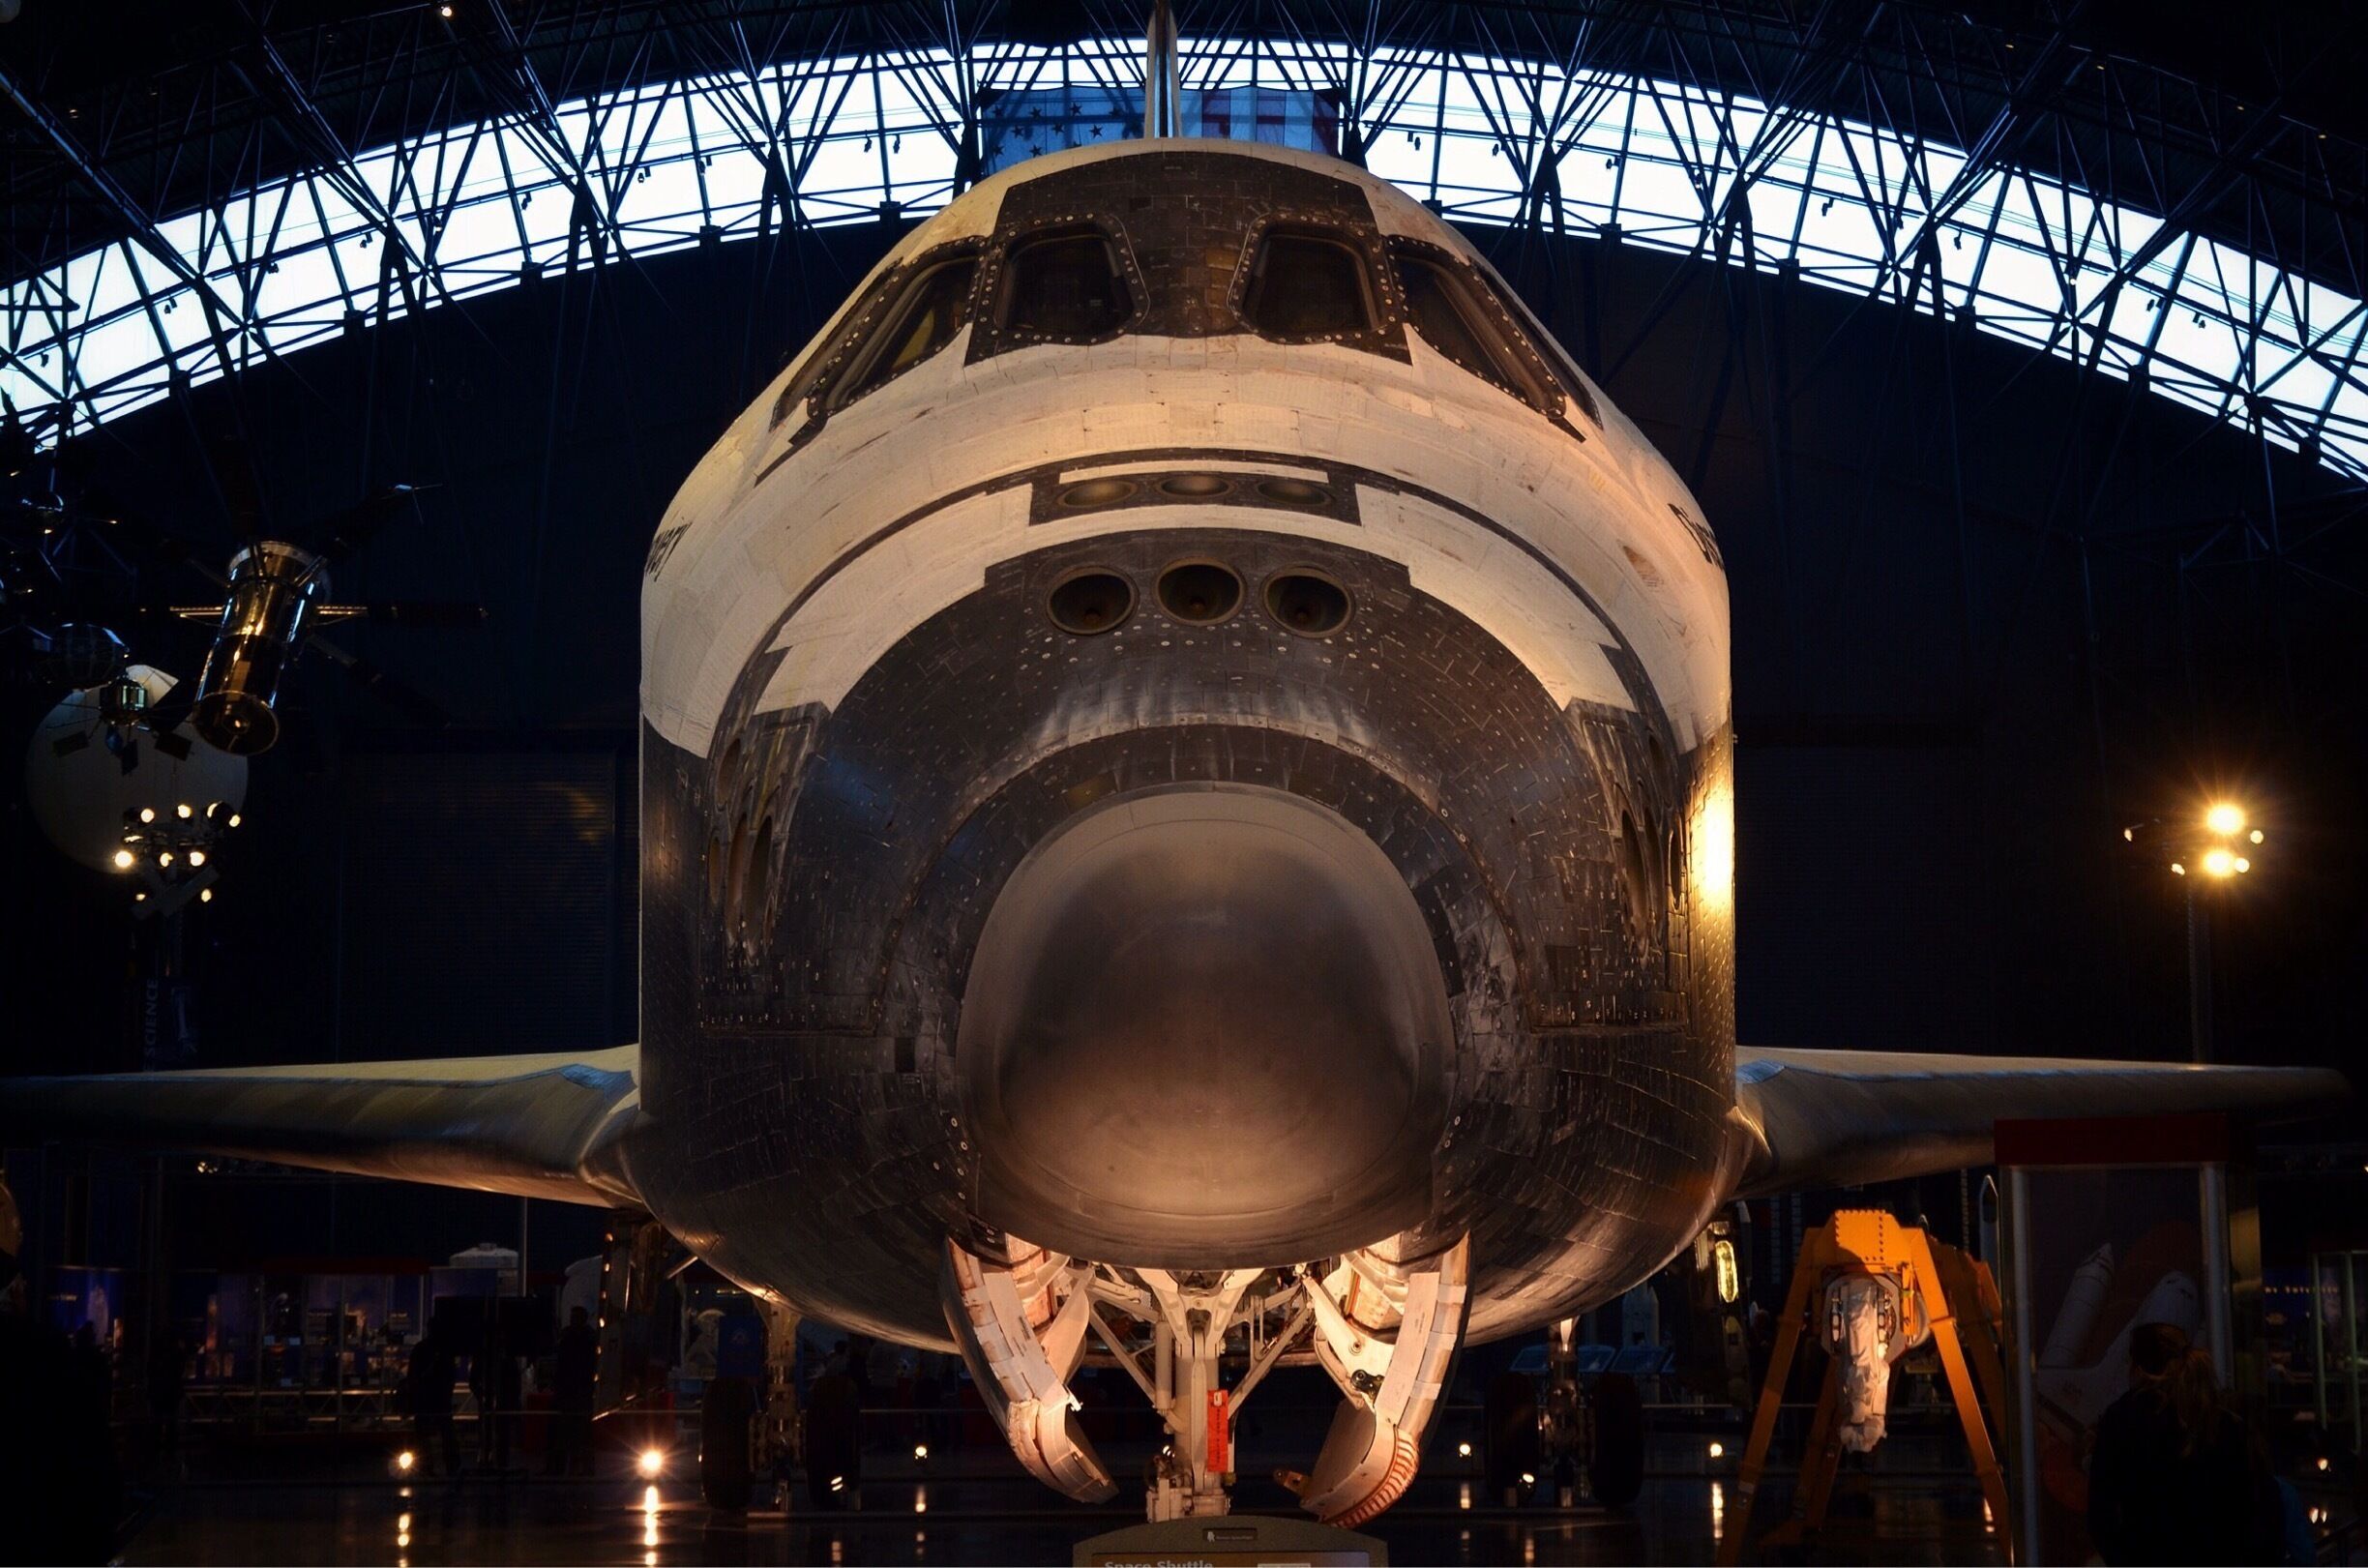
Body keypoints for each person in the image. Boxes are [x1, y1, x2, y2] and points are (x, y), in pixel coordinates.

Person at [2087, 1321, 2280, 1564]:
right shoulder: (2225, 1424)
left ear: (2137, 1366)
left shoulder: (2121, 1422)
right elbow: (2262, 1507)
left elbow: (2101, 1515)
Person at [406, 1329, 460, 1478]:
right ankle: (452, 1466)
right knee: (446, 1432)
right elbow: (450, 1375)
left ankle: (426, 1466)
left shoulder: (420, 1349)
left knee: (423, 1434)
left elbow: (413, 1374)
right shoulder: (445, 1352)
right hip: (441, 1398)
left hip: (424, 1398)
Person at [550, 1307, 597, 1477]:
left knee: (573, 1430)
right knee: (576, 1430)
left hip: (574, 1388)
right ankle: (577, 1466)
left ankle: (567, 1466)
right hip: (576, 1388)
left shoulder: (571, 1336)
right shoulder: (586, 1337)